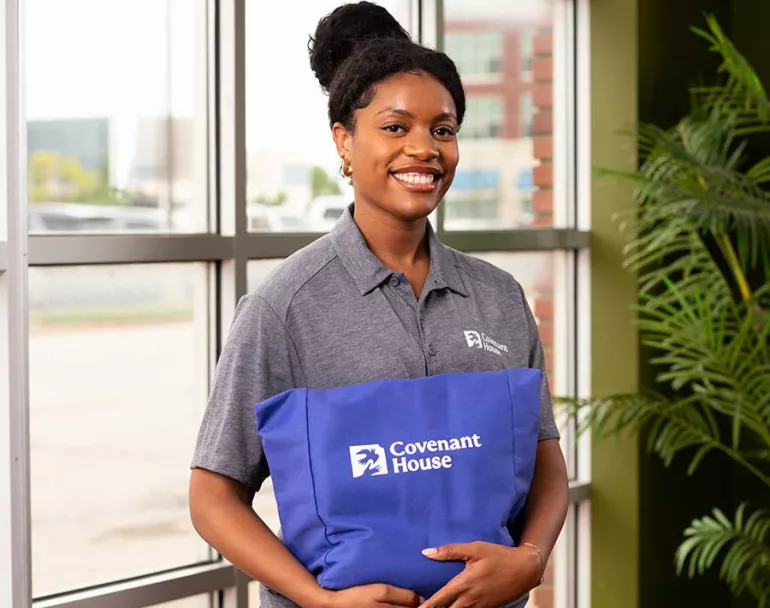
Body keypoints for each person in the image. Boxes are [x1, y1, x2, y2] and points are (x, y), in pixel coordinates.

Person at [188, 3, 569, 607]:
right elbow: (212, 495)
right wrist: (321, 600)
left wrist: (531, 560)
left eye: (442, 130)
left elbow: (546, 460)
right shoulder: (283, 308)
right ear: (344, 140)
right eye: (396, 128)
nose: (424, 148)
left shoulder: (499, 299)